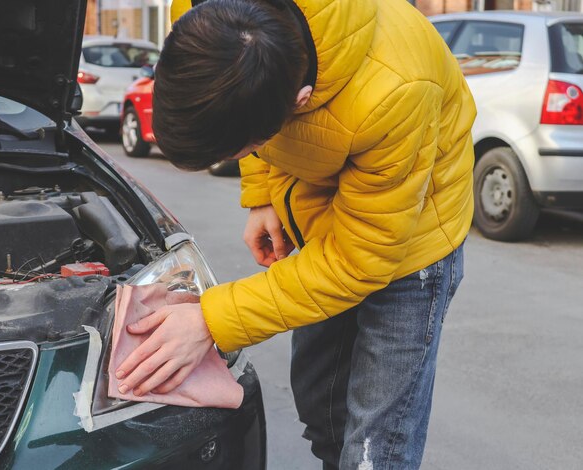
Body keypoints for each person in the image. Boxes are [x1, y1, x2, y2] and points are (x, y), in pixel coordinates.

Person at [115, 0, 476, 468]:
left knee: (374, 445)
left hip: (409, 243)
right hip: (327, 225)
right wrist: (262, 195)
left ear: (298, 103)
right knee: (321, 410)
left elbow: (357, 260)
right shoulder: (207, 17)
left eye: (247, 148)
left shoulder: (394, 89)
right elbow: (238, 93)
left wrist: (211, 319)